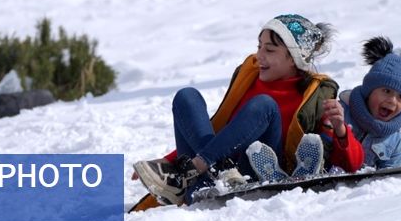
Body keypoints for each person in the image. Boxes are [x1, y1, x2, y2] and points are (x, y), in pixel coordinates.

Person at [133, 14, 364, 206]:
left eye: (270, 50)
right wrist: (166, 162)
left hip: (250, 173)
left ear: (294, 59)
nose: (260, 55)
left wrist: (341, 131)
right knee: (187, 96)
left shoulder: (315, 94)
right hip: (213, 177)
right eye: (259, 46)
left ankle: (193, 171)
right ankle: (203, 171)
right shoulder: (250, 76)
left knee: (263, 105)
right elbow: (221, 130)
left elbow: (352, 165)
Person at [337, 36, 401, 169]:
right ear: (369, 91)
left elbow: (388, 181)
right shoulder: (342, 112)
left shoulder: (394, 142)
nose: (392, 100)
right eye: (386, 91)